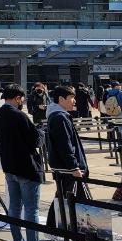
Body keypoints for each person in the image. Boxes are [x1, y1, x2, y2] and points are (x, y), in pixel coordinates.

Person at [0, 85, 43, 241]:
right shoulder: (20, 115)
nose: (22, 102)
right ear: (17, 98)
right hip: (26, 167)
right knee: (31, 210)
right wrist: (41, 132)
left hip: (9, 166)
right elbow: (36, 141)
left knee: (14, 208)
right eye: (21, 99)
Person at [46, 85, 91, 230]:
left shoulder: (57, 115)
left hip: (63, 166)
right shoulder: (60, 117)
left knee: (64, 197)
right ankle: (61, 228)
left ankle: (60, 228)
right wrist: (74, 166)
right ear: (61, 99)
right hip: (67, 168)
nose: (74, 101)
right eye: (71, 98)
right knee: (67, 197)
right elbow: (65, 145)